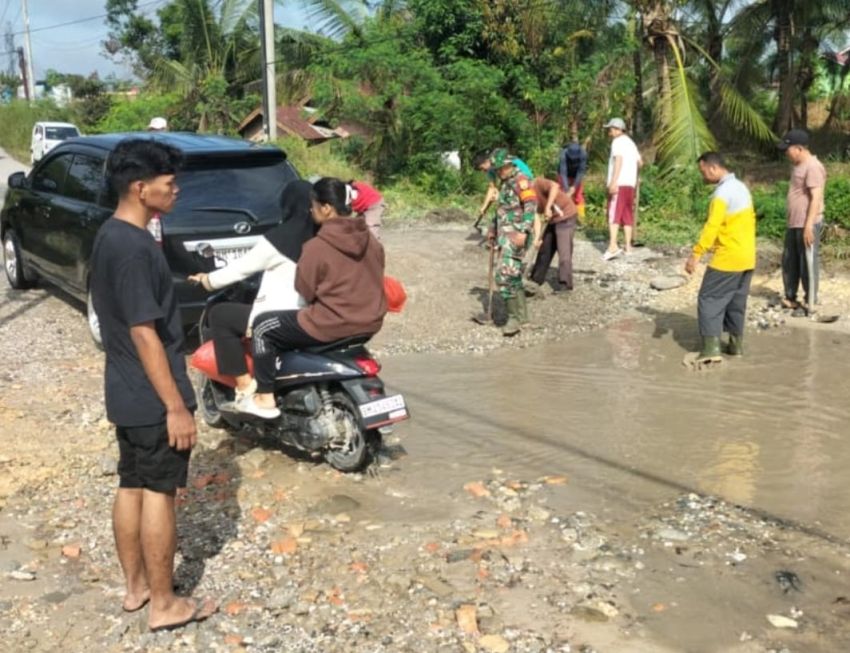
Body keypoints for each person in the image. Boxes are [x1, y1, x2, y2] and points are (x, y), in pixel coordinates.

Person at [89, 139, 216, 631]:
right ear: (141, 189)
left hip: (124, 392)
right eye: (169, 184)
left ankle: (137, 588)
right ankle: (164, 604)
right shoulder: (135, 249)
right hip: (150, 394)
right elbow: (145, 333)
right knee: (160, 491)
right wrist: (175, 407)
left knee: (132, 484)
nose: (176, 190)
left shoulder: (109, 234)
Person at [247, 178, 387, 418]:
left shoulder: (316, 246)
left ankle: (265, 396)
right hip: (371, 322)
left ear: (326, 208)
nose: (310, 211)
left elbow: (305, 291)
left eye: (313, 206)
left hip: (333, 324)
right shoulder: (372, 241)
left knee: (262, 325)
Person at [187, 180, 317, 417]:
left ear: (287, 205)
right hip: (315, 315)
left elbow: (239, 270)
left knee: (221, 315)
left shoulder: (279, 238)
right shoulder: (323, 236)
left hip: (280, 316)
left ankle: (246, 385)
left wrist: (207, 281)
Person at [684, 152, 756, 362]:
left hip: (728, 258)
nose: (703, 176)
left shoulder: (722, 194)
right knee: (735, 302)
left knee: (709, 299)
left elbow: (712, 226)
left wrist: (696, 254)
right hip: (747, 257)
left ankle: (711, 350)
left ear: (713, 168)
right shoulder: (742, 188)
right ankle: (736, 346)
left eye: (703, 171)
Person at [483, 149, 537, 335]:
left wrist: (523, 230)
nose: (498, 172)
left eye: (500, 169)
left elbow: (531, 206)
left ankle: (513, 320)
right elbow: (503, 209)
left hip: (516, 235)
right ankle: (523, 320)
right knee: (513, 276)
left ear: (508, 165)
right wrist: (492, 228)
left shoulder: (521, 181)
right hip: (505, 234)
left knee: (503, 276)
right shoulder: (506, 182)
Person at [777, 129, 826, 315]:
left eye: (788, 149)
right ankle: (790, 297)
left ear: (798, 148)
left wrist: (808, 226)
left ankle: (810, 301)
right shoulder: (798, 165)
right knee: (790, 260)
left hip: (808, 223)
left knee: (807, 262)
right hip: (794, 223)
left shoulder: (813, 166)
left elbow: (816, 197)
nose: (786, 153)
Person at [529, 176, 580, 293]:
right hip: (551, 219)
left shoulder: (538, 182)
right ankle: (536, 279)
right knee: (544, 249)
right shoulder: (526, 197)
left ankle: (565, 284)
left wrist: (547, 206)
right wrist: (537, 238)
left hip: (565, 215)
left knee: (564, 251)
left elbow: (555, 186)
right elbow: (535, 216)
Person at [602, 118, 642, 260]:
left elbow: (618, 160)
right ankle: (628, 247)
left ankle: (613, 246)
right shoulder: (631, 143)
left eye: (611, 129)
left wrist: (613, 182)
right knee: (627, 215)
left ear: (617, 129)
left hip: (620, 183)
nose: (609, 132)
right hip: (630, 184)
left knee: (614, 214)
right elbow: (640, 162)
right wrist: (635, 178)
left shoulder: (617, 142)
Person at [473, 148, 534, 225]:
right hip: (509, 183)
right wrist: (484, 207)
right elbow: (492, 188)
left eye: (482, 168)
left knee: (528, 206)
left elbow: (526, 182)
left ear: (487, 161)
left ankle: (531, 230)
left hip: (523, 183)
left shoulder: (509, 162)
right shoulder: (490, 170)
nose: (483, 171)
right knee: (504, 204)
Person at [557, 141, 588, 219]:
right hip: (564, 174)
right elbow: (563, 172)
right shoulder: (563, 154)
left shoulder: (583, 154)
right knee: (562, 193)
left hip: (577, 175)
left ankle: (581, 217)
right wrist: (567, 188)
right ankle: (562, 214)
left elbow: (580, 172)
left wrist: (574, 186)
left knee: (578, 194)